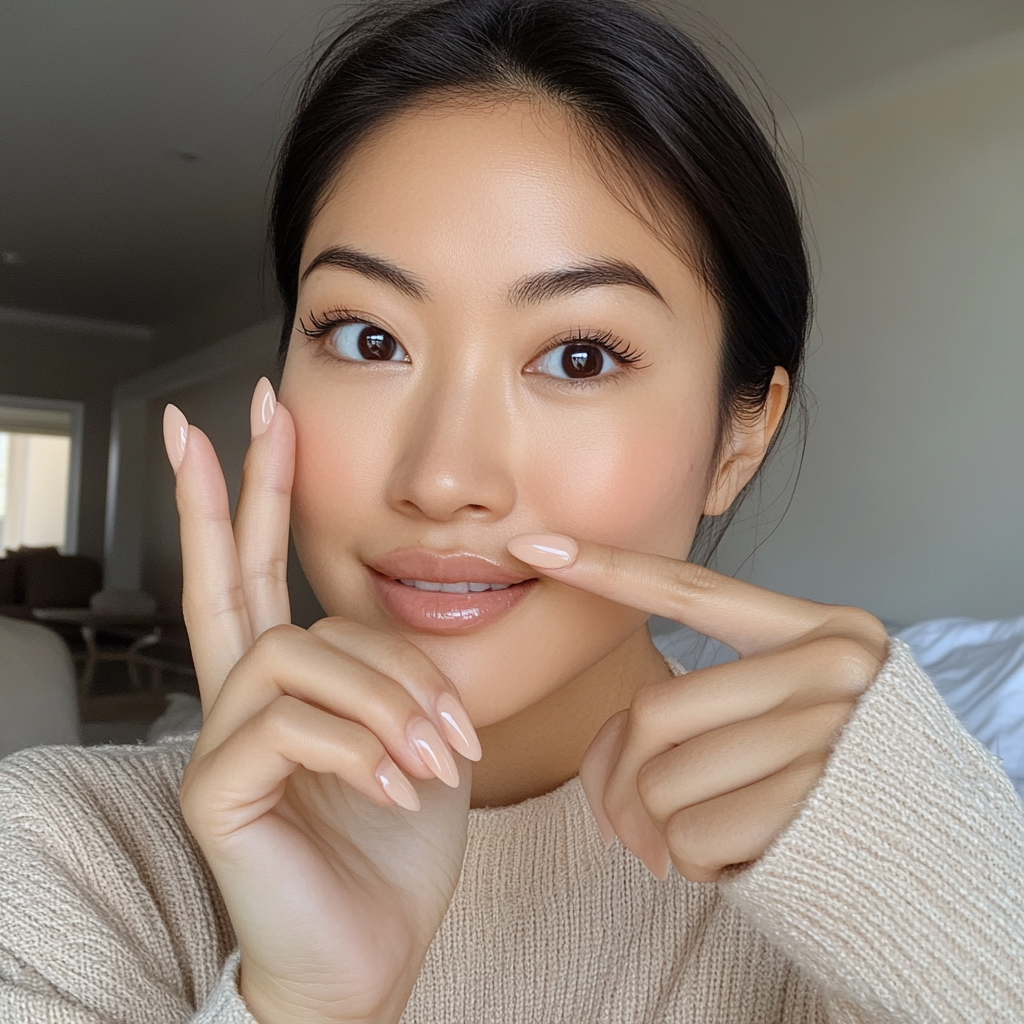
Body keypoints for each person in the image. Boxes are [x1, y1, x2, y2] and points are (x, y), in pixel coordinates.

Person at [2, 0, 1022, 1021]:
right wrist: (308, 1002)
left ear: (737, 440)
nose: (443, 477)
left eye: (578, 356)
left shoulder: (889, 917)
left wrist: (955, 905)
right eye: (366, 338)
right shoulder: (65, 861)